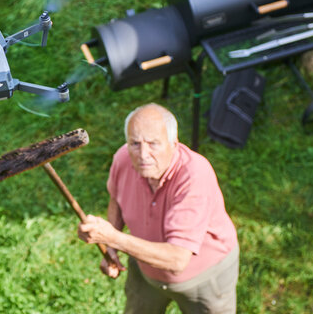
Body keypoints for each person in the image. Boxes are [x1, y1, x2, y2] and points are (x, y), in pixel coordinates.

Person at [78, 103, 239, 313]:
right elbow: (117, 199)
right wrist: (111, 249)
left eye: (154, 144)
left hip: (203, 278)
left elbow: (177, 259)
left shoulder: (194, 177)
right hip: (145, 267)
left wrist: (112, 238)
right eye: (135, 143)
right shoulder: (124, 158)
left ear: (174, 143)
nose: (143, 154)